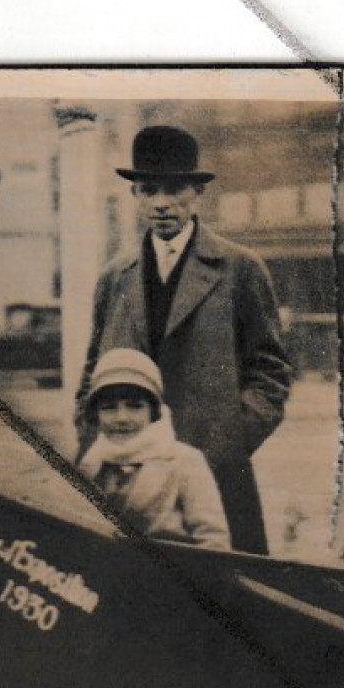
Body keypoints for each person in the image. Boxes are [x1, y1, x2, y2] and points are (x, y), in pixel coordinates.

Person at [76, 126, 292, 554]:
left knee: (229, 601)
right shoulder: (113, 278)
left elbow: (271, 372)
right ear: (135, 196)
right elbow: (91, 376)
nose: (161, 203)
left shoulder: (240, 270)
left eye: (175, 190)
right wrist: (96, 446)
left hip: (215, 474)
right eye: (148, 189)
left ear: (198, 194)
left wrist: (230, 440)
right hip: (127, 479)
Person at [77, 348, 230, 550]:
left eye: (135, 406)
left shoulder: (184, 461)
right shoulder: (90, 464)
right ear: (96, 414)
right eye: (109, 407)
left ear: (153, 412)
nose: (121, 418)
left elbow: (214, 541)